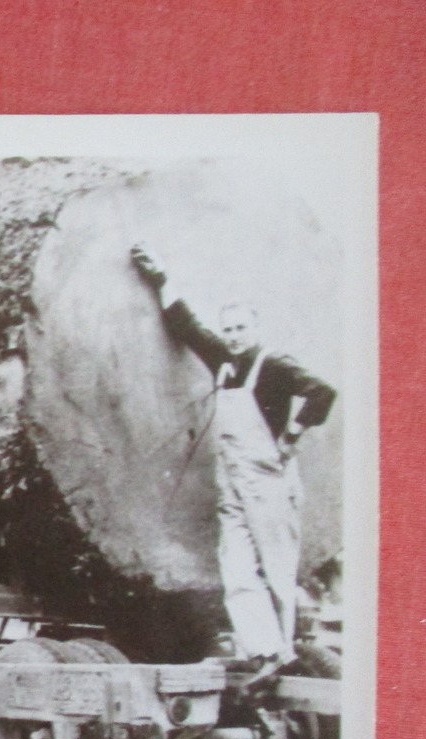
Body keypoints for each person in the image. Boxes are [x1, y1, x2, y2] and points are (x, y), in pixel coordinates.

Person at [130, 244, 337, 682]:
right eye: (230, 329)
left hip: (267, 479)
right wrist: (162, 279)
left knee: (277, 566)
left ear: (256, 327)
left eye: (242, 327)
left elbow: (322, 391)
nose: (235, 335)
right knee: (238, 567)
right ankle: (263, 652)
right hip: (233, 480)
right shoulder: (224, 361)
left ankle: (283, 652)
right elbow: (187, 327)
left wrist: (292, 435)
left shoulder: (275, 365)